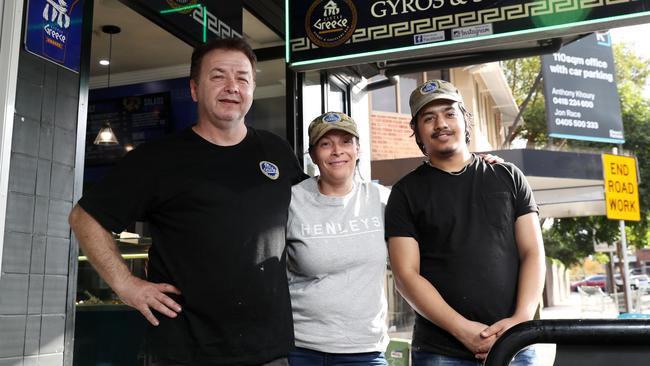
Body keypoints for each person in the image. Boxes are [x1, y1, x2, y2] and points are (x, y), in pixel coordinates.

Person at [69, 38, 305, 365]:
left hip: (269, 349)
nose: (232, 86)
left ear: (252, 87)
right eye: (218, 76)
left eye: (242, 78)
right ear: (194, 89)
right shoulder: (157, 159)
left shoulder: (277, 151)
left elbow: (308, 218)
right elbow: (84, 218)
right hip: (185, 351)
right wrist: (126, 285)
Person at [385, 79, 545, 366]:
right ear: (416, 130)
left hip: (515, 346)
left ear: (465, 119)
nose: (441, 124)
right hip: (439, 352)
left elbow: (533, 252)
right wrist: (464, 331)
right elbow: (406, 276)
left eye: (449, 113)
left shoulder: (508, 176)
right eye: (428, 118)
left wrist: (521, 321)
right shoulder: (405, 192)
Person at [285, 112, 390, 365]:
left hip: (365, 349)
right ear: (312, 155)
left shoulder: (383, 200)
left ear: (358, 148)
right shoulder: (290, 200)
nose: (336, 151)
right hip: (300, 348)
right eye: (325, 144)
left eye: (345, 141)